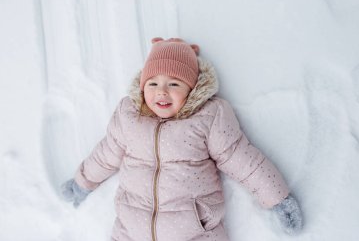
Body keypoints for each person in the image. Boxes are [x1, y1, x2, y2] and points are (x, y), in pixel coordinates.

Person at [61, 37, 303, 241]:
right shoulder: (129, 116)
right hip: (131, 228)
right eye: (153, 83)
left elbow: (242, 160)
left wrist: (277, 199)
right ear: (142, 87)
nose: (161, 91)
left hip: (193, 231)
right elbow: (105, 155)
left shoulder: (208, 118)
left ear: (192, 89)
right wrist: (81, 183)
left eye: (174, 83)